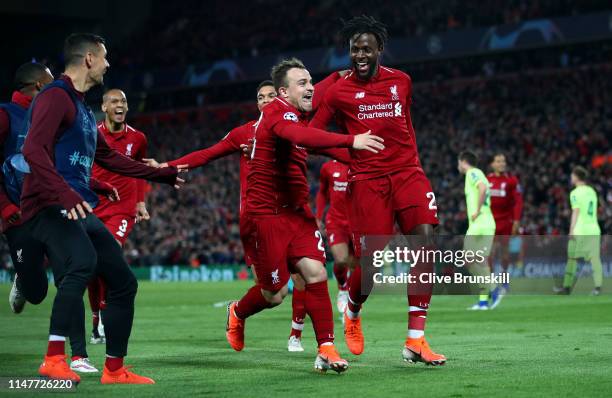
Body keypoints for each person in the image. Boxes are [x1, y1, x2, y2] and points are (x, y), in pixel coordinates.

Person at [19, 33, 184, 384]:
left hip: (79, 206)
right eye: (105, 58)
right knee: (82, 264)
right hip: (48, 205)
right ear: (89, 59)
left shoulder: (81, 109)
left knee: (123, 282)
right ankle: (53, 358)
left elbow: (110, 159)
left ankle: (114, 369)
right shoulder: (55, 97)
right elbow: (33, 151)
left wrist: (161, 175)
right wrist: (65, 195)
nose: (109, 64)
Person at [224, 57, 384, 373]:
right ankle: (238, 312)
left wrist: (344, 73)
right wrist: (352, 140)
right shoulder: (275, 118)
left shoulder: (296, 116)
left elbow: (317, 133)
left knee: (315, 273)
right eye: (303, 83)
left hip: (297, 215)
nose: (310, 87)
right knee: (274, 294)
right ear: (284, 92)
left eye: (311, 82)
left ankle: (325, 348)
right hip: (266, 218)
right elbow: (306, 138)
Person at [309, 15, 445, 365]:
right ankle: (352, 311)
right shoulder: (339, 92)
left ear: (380, 49)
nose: (360, 54)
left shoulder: (402, 81)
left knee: (425, 244)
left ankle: (416, 339)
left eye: (366, 48)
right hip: (368, 181)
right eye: (354, 49)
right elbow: (312, 135)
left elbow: (403, 128)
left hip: (407, 173)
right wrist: (349, 147)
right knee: (371, 266)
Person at [2, 61, 102, 373]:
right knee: (37, 292)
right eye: (51, 81)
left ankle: (78, 356)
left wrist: (96, 184)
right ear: (37, 88)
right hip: (19, 216)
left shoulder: (57, 112)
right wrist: (5, 209)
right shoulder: (6, 115)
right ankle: (24, 280)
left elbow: (63, 164)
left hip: (54, 208)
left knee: (71, 273)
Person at [87, 88, 150, 345]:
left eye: (123, 100)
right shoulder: (91, 134)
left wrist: (141, 202)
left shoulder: (138, 138)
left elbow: (140, 170)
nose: (120, 104)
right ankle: (97, 317)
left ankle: (104, 312)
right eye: (114, 101)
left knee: (109, 255)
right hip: (92, 206)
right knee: (90, 264)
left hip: (122, 208)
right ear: (104, 106)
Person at [457, 151, 498, 310]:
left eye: (458, 162)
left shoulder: (472, 173)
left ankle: (494, 288)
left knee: (468, 258)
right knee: (479, 261)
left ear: (462, 161)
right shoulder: (478, 173)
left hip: (480, 223)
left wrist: (477, 210)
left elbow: (482, 188)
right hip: (486, 223)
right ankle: (483, 301)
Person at [314, 159, 352, 314]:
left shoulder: (361, 162)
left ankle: (353, 301)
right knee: (341, 259)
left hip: (358, 220)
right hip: (335, 221)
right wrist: (318, 216)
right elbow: (322, 192)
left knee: (358, 263)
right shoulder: (328, 167)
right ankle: (343, 289)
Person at [560, 166, 602, 295]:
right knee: (595, 259)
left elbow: (576, 211)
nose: (571, 178)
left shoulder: (575, 193)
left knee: (572, 258)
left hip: (580, 229)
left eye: (572, 175)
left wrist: (571, 229)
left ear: (577, 177)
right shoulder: (592, 191)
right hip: (594, 228)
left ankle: (566, 287)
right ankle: (597, 288)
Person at [488, 152, 523, 289]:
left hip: (506, 222)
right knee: (490, 252)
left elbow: (518, 202)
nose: (501, 163)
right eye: (498, 161)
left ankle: (504, 279)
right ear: (492, 164)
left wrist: (516, 220)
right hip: (490, 222)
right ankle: (490, 281)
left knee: (504, 253)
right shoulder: (486, 179)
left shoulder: (512, 180)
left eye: (503, 161)